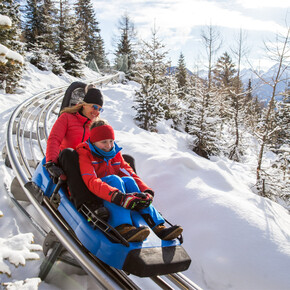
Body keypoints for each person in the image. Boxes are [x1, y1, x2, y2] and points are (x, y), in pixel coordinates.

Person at [76, 119, 183, 243]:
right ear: (94, 142)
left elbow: (129, 172)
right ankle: (122, 226)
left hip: (117, 195)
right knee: (114, 179)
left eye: (111, 141)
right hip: (99, 194)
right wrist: (116, 196)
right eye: (103, 142)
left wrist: (146, 191)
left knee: (129, 180)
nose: (108, 146)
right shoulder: (85, 153)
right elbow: (91, 181)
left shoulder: (114, 152)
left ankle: (157, 225)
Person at [45, 86, 105, 208]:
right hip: (68, 162)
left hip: (88, 166)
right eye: (94, 107)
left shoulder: (96, 126)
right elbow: (54, 139)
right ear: (84, 104)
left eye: (100, 109)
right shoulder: (67, 117)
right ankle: (87, 204)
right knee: (69, 153)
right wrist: (51, 162)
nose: (96, 112)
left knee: (125, 159)